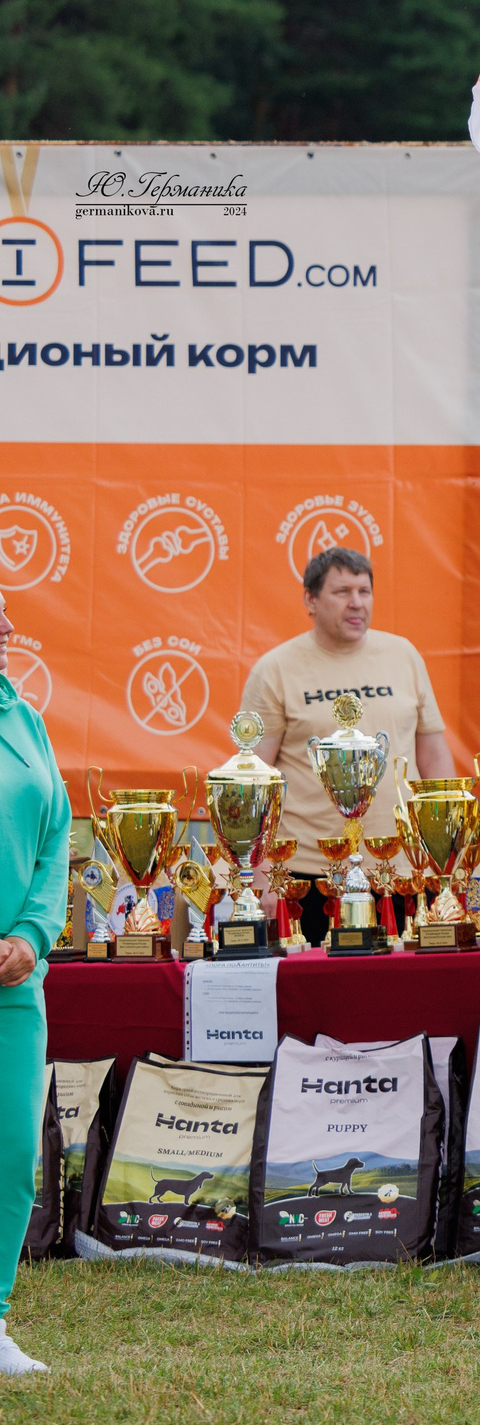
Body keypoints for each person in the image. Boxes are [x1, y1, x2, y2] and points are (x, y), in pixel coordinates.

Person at [242, 547, 453, 943]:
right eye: (342, 592)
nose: (356, 602)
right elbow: (255, 777)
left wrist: (448, 851)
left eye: (364, 591)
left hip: (406, 870)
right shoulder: (276, 670)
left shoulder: (404, 655)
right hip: (308, 876)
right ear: (311, 598)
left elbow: (434, 755)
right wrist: (262, 872)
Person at [0, 588, 67, 1375]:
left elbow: (55, 842)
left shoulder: (24, 718)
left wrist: (31, 934)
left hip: (16, 986)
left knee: (12, 1153)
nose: (10, 627)